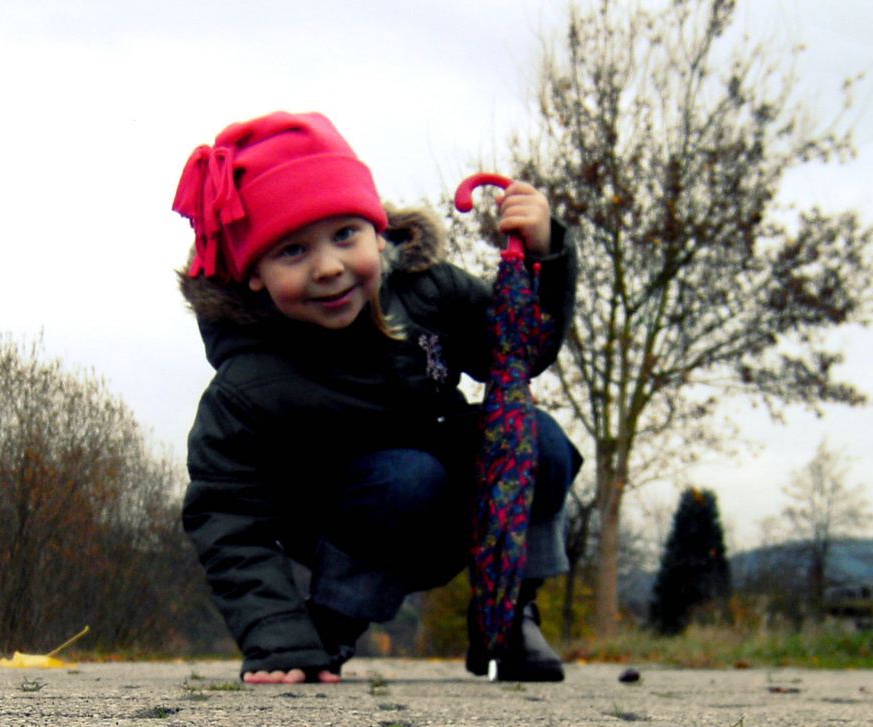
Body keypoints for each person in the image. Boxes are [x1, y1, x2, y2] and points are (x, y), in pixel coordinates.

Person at [173, 111, 582, 685]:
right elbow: (227, 513)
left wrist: (542, 257)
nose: (330, 267)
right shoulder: (250, 382)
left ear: (379, 230)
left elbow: (516, 355)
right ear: (254, 274)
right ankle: (330, 626)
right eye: (292, 251)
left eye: (345, 236)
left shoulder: (427, 291)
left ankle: (507, 611)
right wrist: (278, 635)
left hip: (456, 513)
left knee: (536, 438)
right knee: (405, 476)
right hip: (350, 523)